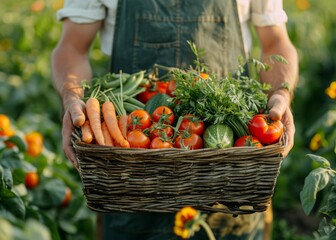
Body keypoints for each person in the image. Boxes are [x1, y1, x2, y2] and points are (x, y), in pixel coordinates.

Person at [51, 1, 298, 239]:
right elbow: (72, 46)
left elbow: (275, 42)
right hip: (132, 181)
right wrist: (73, 99)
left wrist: (281, 94)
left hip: (228, 186)